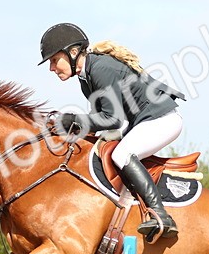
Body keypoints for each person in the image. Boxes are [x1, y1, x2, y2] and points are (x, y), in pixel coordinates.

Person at [38, 22, 186, 242]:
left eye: (53, 60)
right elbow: (103, 124)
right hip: (144, 122)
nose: (52, 68)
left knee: (121, 154)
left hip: (162, 120)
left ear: (72, 52)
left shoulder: (100, 69)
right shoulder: (85, 78)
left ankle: (160, 215)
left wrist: (75, 120)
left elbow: (111, 119)